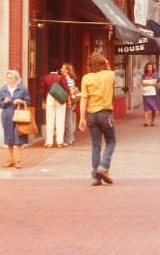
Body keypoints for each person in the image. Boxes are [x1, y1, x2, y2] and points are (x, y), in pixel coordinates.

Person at [78, 52, 117, 186]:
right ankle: (103, 167)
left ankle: (96, 176)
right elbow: (110, 70)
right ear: (103, 63)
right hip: (106, 114)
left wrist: (82, 118)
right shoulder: (110, 75)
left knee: (96, 145)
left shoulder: (86, 78)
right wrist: (106, 61)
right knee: (111, 141)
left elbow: (84, 99)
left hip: (91, 115)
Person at [0, 69, 30, 169]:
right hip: (7, 115)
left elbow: (28, 101)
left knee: (19, 138)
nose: (8, 80)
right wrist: (5, 102)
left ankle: (18, 161)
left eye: (10, 78)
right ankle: (10, 160)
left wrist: (20, 101)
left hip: (19, 116)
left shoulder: (22, 89)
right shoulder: (3, 89)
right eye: (7, 78)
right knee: (9, 138)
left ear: (16, 78)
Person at [40, 65, 69, 148]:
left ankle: (49, 142)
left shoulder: (45, 78)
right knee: (60, 119)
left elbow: (42, 91)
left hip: (50, 96)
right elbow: (66, 88)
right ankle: (60, 141)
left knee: (49, 119)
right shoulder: (61, 77)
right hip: (60, 97)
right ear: (57, 70)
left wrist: (43, 101)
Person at [61, 63, 79, 146]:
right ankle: (72, 138)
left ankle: (69, 140)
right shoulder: (71, 78)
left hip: (68, 101)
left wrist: (68, 101)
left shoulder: (67, 79)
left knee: (67, 121)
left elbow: (70, 91)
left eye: (63, 68)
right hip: (72, 101)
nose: (61, 69)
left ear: (67, 70)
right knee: (70, 120)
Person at [141, 62, 160, 126]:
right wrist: (150, 83)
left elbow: (155, 83)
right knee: (146, 108)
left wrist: (147, 83)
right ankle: (146, 122)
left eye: (150, 67)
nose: (149, 68)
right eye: (148, 67)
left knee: (153, 108)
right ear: (146, 68)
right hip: (145, 93)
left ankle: (152, 121)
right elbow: (141, 83)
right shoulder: (144, 75)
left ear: (152, 68)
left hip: (153, 93)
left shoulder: (155, 75)